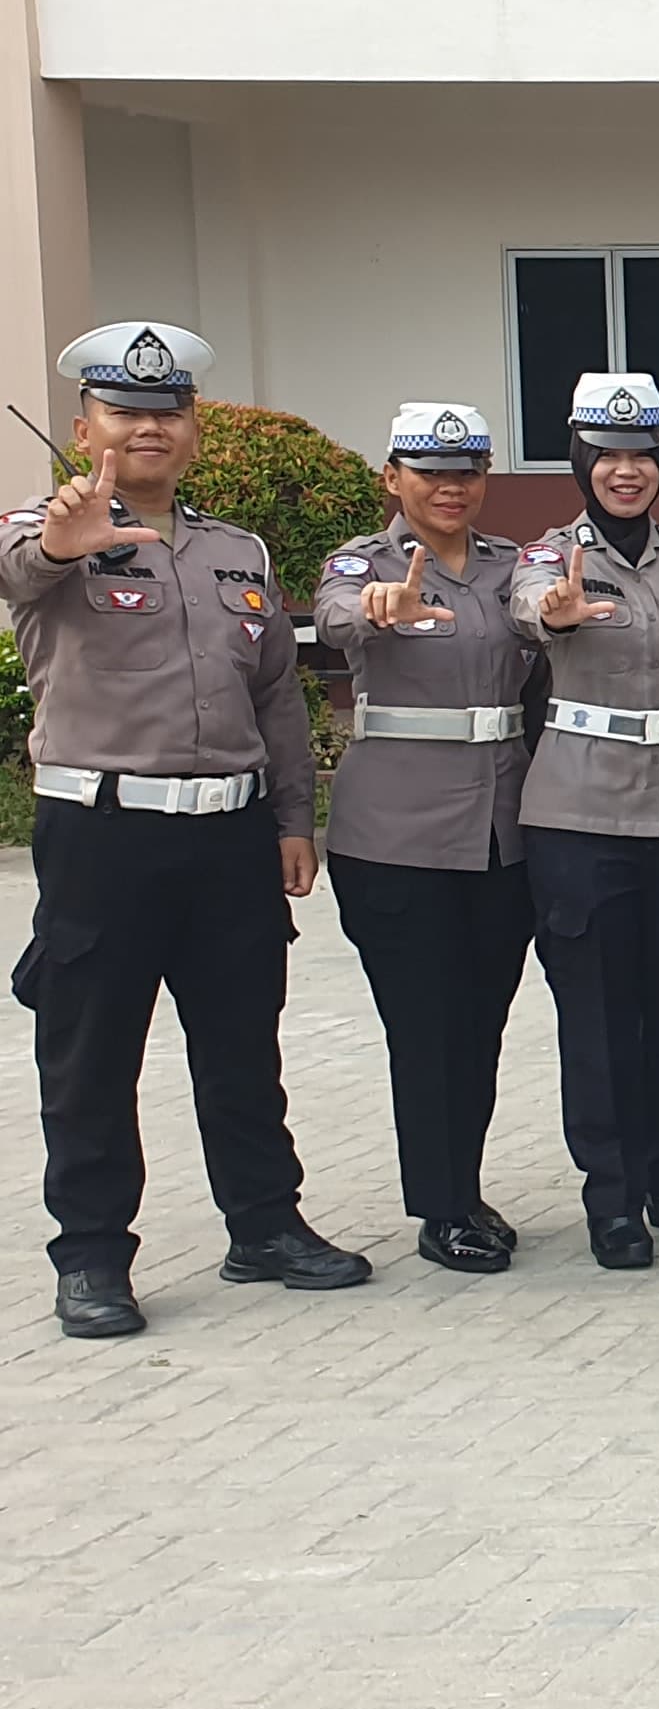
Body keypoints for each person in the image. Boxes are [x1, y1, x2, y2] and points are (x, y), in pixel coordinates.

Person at [9, 322, 359, 1338]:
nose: (149, 428)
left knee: (243, 1043)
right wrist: (62, 542)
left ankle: (264, 1225)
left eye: (167, 413)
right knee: (90, 1054)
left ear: (194, 429)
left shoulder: (236, 552)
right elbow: (19, 569)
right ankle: (90, 1257)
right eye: (124, 412)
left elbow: (277, 697)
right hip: (104, 835)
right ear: (85, 430)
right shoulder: (48, 532)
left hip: (230, 838)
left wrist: (293, 817)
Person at [511, 371, 659, 1270]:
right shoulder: (550, 556)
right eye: (606, 455)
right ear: (580, 461)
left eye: (642, 455)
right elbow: (530, 605)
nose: (625, 471)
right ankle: (612, 1198)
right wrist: (554, 613)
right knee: (599, 1017)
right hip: (580, 818)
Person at [315, 403, 540, 1277]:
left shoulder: (510, 565)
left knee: (480, 1023)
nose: (451, 488)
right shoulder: (362, 564)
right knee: (425, 1026)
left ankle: (464, 1187)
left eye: (466, 472)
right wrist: (379, 607)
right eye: (430, 472)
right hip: (397, 837)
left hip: (499, 832)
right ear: (392, 477)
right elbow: (338, 614)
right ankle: (441, 1208)